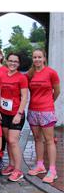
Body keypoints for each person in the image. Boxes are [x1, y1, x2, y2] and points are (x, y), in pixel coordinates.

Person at [26, 49, 60, 183]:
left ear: (44, 58)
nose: (37, 60)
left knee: (49, 140)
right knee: (37, 138)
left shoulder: (51, 72)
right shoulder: (30, 73)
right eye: (35, 57)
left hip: (46, 110)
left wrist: (49, 102)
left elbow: (57, 91)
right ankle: (40, 165)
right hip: (33, 109)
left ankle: (52, 170)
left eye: (39, 57)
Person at [0, 53, 28, 182]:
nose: (12, 63)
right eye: (10, 61)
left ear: (19, 64)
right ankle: (10, 165)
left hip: (16, 114)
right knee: (8, 140)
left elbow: (25, 97)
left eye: (15, 61)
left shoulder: (21, 78)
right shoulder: (2, 75)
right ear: (6, 61)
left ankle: (18, 170)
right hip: (4, 113)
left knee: (13, 141)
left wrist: (19, 114)